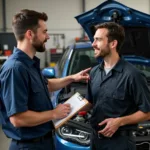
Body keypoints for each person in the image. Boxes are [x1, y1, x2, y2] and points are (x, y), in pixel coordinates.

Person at [0, 9, 90, 150]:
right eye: (44, 32)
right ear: (30, 34)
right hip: (28, 146)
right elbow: (18, 119)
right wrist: (54, 113)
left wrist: (72, 78)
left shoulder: (29, 64)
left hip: (43, 142)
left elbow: (46, 85)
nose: (47, 36)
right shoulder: (15, 69)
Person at [86, 22, 150, 150]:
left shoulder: (132, 75)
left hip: (120, 143)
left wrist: (119, 121)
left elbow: (147, 112)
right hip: (95, 141)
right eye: (94, 40)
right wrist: (64, 111)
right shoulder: (94, 72)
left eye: (98, 40)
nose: (93, 44)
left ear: (113, 44)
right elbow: (89, 101)